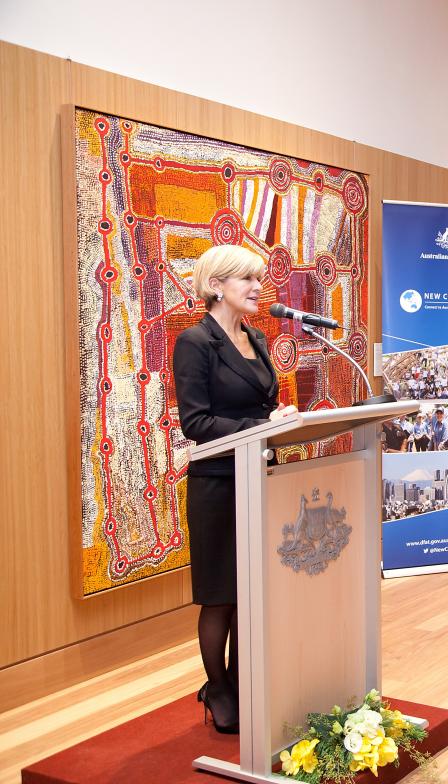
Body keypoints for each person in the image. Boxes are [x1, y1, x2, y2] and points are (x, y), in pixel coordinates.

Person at [173, 245, 298, 733]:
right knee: (222, 595)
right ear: (216, 285)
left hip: (258, 474)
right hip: (218, 485)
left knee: (251, 593)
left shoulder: (258, 337)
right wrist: (261, 423)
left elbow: (260, 402)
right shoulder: (195, 341)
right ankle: (219, 689)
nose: (256, 287)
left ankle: (245, 683)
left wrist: (278, 420)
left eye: (258, 278)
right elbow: (195, 421)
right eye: (246, 279)